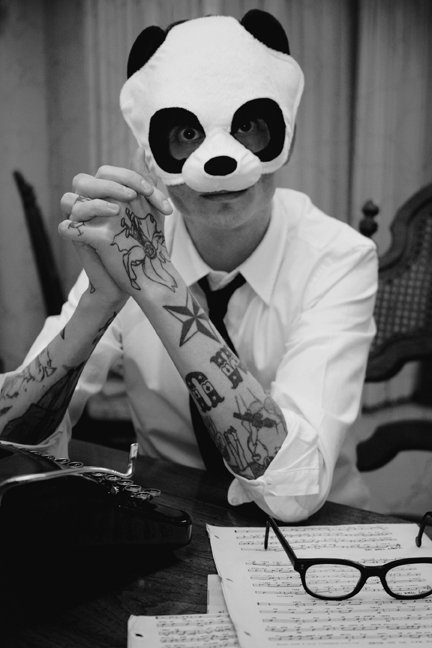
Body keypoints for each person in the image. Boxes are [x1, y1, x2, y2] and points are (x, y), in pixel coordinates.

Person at [0, 10, 377, 522]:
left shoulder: (339, 257)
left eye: (248, 126)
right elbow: (12, 442)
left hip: (324, 539)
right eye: (185, 133)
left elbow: (293, 490)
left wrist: (157, 284)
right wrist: (100, 302)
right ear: (150, 156)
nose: (220, 161)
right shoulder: (131, 242)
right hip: (171, 514)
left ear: (285, 135)